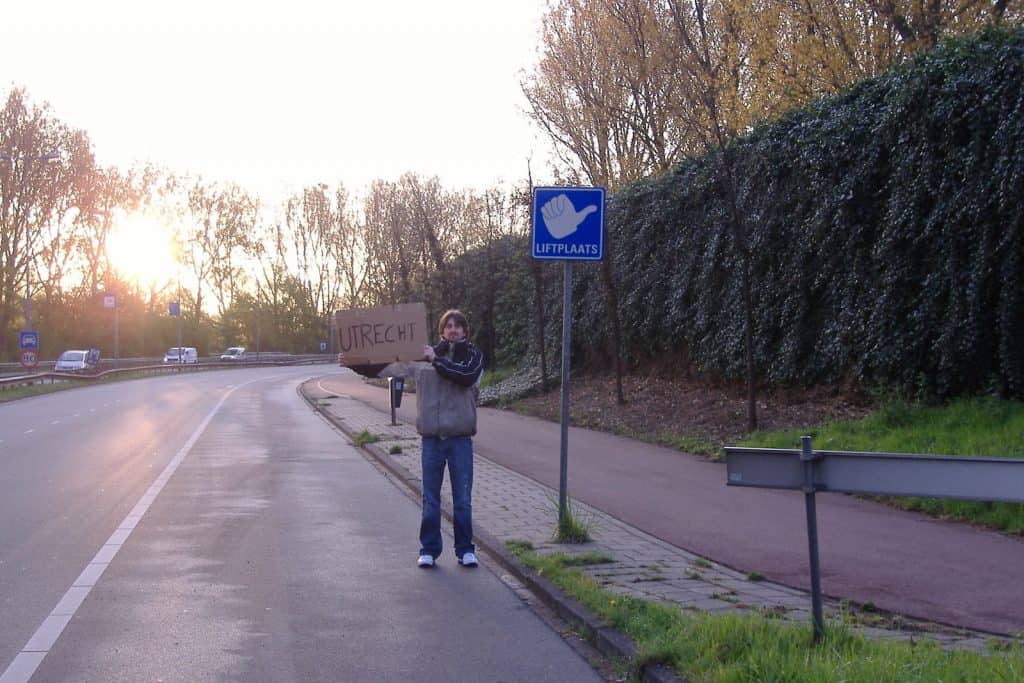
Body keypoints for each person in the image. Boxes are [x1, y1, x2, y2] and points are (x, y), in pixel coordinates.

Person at [414, 309, 484, 569]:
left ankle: (465, 549)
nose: (453, 329)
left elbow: (465, 376)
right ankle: (429, 550)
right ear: (441, 331)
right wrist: (354, 361)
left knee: (462, 499)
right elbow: (391, 364)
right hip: (432, 440)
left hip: (460, 440)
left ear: (465, 331)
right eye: (448, 326)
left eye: (458, 326)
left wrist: (436, 361)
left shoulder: (474, 356)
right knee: (430, 498)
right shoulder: (426, 356)